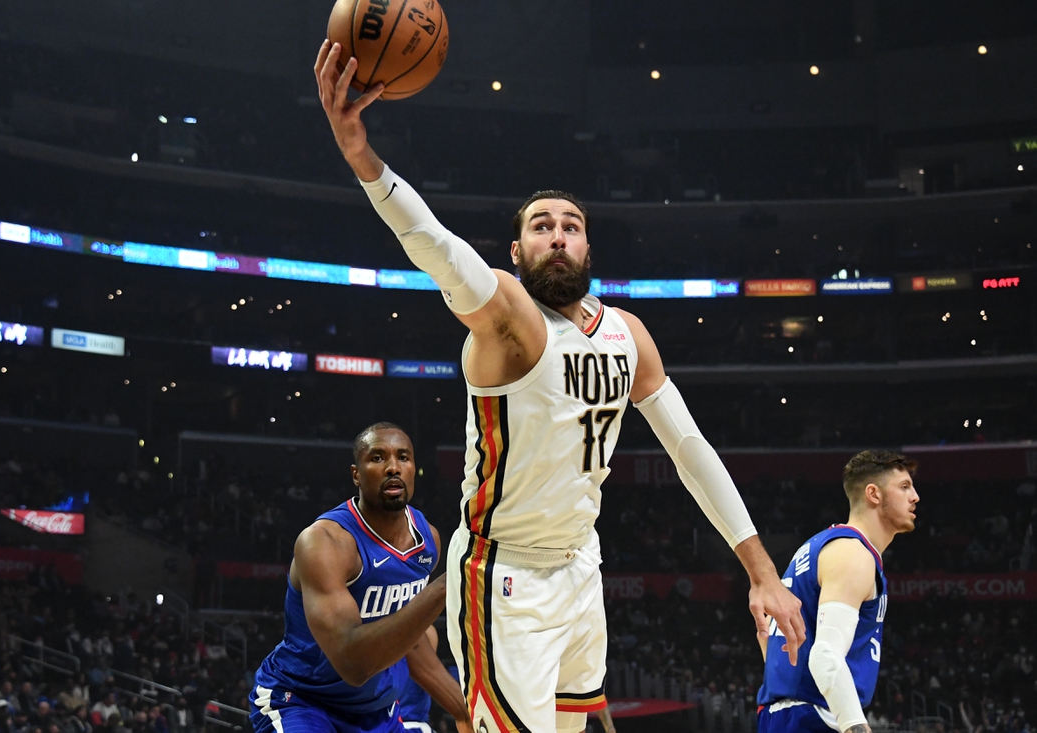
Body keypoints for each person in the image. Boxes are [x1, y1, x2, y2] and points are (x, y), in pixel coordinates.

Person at [314, 40, 806, 733]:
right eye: (541, 227)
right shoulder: (509, 320)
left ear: (587, 248)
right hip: (502, 576)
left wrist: (761, 571)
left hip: (581, 564)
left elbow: (689, 448)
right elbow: (437, 247)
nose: (557, 236)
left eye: (571, 227)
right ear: (517, 252)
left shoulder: (628, 334)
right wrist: (363, 156)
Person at [248, 423, 471, 733]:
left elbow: (410, 642)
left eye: (403, 457)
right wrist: (448, 584)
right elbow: (353, 666)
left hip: (376, 713)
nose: (393, 467)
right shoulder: (324, 542)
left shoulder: (427, 540)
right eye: (378, 457)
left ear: (414, 469)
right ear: (356, 474)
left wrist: (463, 711)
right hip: (302, 700)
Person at [756, 450, 920, 733]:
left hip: (786, 713)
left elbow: (766, 636)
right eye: (904, 487)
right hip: (813, 715)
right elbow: (825, 656)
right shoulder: (853, 554)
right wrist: (855, 725)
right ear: (873, 494)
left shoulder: (820, 546)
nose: (914, 496)